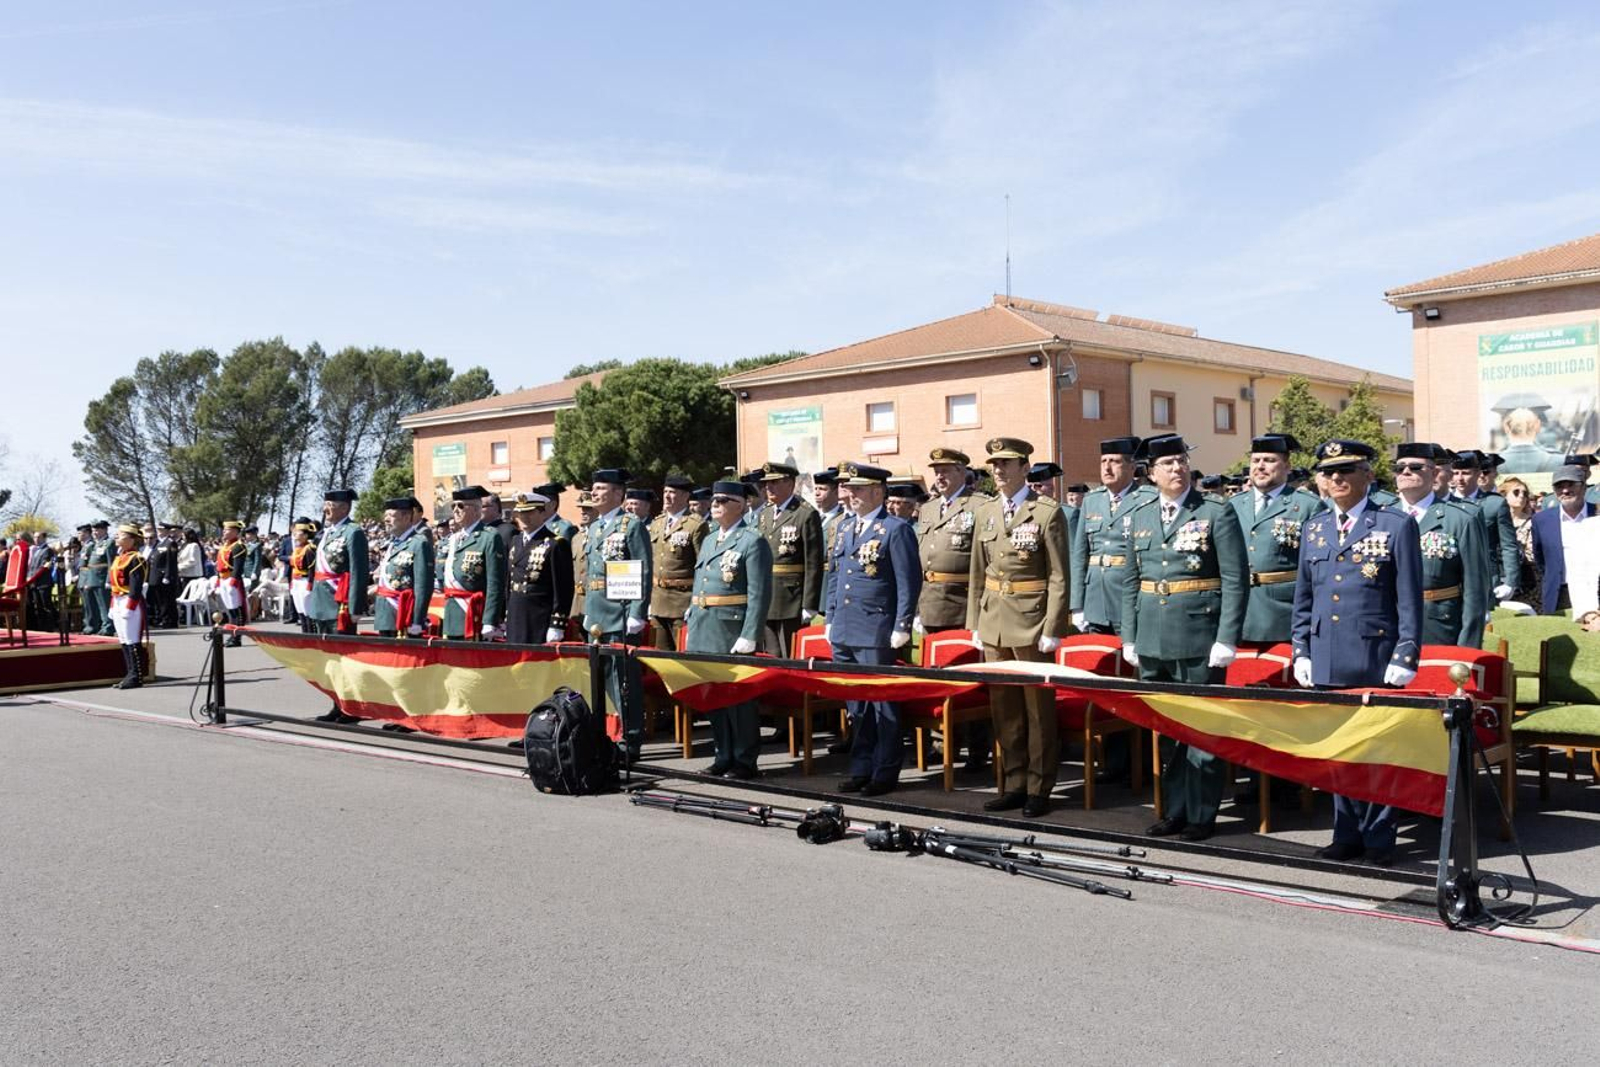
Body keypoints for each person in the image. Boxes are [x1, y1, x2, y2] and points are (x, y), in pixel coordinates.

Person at [1291, 439, 1422, 866]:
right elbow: (1304, 597)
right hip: (1326, 655)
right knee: (1339, 753)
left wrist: (1406, 653)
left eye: (1347, 470)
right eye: (1329, 472)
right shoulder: (1314, 528)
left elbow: (1408, 600)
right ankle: (1346, 834)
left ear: (1368, 475)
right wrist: (1301, 651)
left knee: (1377, 751)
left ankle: (1379, 839)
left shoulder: (1395, 525)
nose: (1337, 479)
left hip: (1374, 655)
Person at [1122, 433, 1249, 842]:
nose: (1177, 469)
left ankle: (1201, 814)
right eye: (1168, 464)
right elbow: (1131, 582)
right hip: (1153, 638)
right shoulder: (1140, 514)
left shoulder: (1215, 511)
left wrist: (1226, 637)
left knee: (1202, 730)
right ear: (1151, 473)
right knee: (1168, 730)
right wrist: (1130, 636)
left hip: (1199, 633)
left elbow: (1234, 579)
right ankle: (1173, 809)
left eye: (1181, 461)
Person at [967, 437, 1071, 818]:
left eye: (1006, 464)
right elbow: (978, 571)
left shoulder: (1045, 512)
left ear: (1025, 468)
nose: (998, 470)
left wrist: (1053, 626)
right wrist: (974, 621)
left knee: (1037, 711)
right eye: (994, 464)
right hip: (993, 618)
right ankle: (1012, 782)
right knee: (1004, 708)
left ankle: (1039, 786)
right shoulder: (986, 511)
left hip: (1031, 620)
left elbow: (1059, 575)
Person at [826, 462, 921, 797]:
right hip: (845, 629)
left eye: (858, 489)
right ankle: (860, 767)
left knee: (883, 706)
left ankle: (885, 771)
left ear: (878, 492)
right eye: (849, 489)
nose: (851, 495)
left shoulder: (894, 529)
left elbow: (908, 581)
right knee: (856, 707)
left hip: (875, 628)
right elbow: (835, 576)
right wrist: (830, 617)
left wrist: (902, 625)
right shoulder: (844, 528)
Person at [1068, 436, 1152, 783]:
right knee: (1105, 683)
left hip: (1131, 601)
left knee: (1136, 682)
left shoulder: (1146, 498)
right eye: (1104, 462)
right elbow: (1079, 553)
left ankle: (1142, 762)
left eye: (1116, 461)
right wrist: (1077, 603)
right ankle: (1111, 761)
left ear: (1132, 467)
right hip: (1097, 599)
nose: (1107, 467)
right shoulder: (1093, 501)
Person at [686, 480, 774, 779]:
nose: (716, 504)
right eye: (714, 499)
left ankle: (744, 759)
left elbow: (759, 593)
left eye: (723, 500)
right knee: (713, 698)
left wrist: (750, 634)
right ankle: (722, 754)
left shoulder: (752, 541)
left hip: (731, 629)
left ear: (741, 504)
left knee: (738, 699)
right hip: (704, 626)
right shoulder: (711, 540)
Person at [915, 446, 990, 773]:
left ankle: (977, 748)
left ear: (963, 472)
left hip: (962, 603)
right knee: (937, 679)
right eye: (936, 471)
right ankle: (941, 744)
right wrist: (918, 607)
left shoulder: (978, 506)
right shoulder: (928, 509)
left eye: (946, 471)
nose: (940, 477)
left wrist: (977, 614)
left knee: (969, 680)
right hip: (931, 601)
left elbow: (982, 565)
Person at [581, 469, 653, 758]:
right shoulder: (596, 527)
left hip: (621, 611)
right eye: (594, 488)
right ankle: (605, 732)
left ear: (617, 493)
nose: (594, 493)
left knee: (624, 681)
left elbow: (643, 569)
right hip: (597, 612)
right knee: (600, 679)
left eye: (600, 488)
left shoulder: (631, 525)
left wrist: (638, 611)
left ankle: (630, 739)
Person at [1391, 444, 1489, 647]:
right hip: (1389, 627)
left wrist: (1467, 648)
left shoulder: (1460, 519)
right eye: (1400, 468)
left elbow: (1475, 591)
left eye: (1415, 467)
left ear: (1434, 473)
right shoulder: (1380, 517)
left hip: (1439, 628)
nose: (1406, 472)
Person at [755, 461, 824, 659]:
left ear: (790, 484)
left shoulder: (805, 513)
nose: (769, 487)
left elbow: (813, 562)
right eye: (767, 484)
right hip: (767, 594)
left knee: (791, 653)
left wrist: (809, 603)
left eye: (775, 482)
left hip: (791, 597)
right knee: (770, 653)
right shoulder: (765, 513)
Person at [438, 485, 508, 640]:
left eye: (461, 506)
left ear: (477, 510)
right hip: (452, 613)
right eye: (453, 506)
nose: (455, 510)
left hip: (475, 613)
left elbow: (495, 583)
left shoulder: (488, 537)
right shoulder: (453, 539)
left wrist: (490, 620)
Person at [1450, 450, 1518, 604]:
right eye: (1455, 473)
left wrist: (1510, 581)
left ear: (1477, 473)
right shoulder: (1444, 503)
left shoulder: (1494, 504)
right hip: (1450, 578)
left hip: (1485, 577)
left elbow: (1508, 545)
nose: (1459, 479)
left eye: (1465, 473)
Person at [647, 474, 706, 652]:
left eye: (672, 492)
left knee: (684, 657)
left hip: (682, 602)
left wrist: (696, 603)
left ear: (685, 496)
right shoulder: (657, 523)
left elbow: (702, 567)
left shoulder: (695, 525)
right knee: (661, 657)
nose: (666, 496)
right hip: (658, 601)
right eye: (665, 491)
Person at [1530, 464, 1600, 615]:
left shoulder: (1597, 513)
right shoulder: (1541, 520)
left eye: (1571, 485)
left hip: (1594, 591)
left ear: (1584, 487)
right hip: (1559, 594)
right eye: (1559, 486)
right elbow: (1540, 559)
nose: (1565, 490)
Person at [505, 491, 573, 644]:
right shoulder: (515, 541)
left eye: (530, 512)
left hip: (539, 616)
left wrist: (557, 624)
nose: (524, 517)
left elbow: (563, 589)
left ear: (543, 513)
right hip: (516, 614)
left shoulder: (555, 543)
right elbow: (509, 580)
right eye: (520, 513)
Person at [373, 496, 435, 639]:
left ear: (407, 517)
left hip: (404, 614)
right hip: (385, 613)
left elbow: (423, 586)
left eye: (391, 516)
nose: (386, 520)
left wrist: (418, 620)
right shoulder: (392, 544)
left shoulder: (419, 543)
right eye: (386, 515)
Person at [107, 524, 151, 689]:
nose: (117, 537)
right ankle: (130, 673)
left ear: (131, 539)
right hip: (118, 599)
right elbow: (114, 585)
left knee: (132, 639)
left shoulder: (136, 559)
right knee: (124, 640)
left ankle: (136, 675)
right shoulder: (119, 557)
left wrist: (130, 606)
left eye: (121, 535)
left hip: (129, 601)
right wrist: (112, 605)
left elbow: (136, 586)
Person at [1500, 476, 1540, 602]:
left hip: (1529, 580)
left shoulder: (1534, 522)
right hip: (1501, 579)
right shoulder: (1497, 522)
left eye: (1525, 493)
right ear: (1504, 495)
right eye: (1516, 492)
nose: (1521, 496)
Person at [215, 521, 249, 647]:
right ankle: (232, 635)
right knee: (230, 610)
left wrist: (233, 581)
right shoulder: (225, 546)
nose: (224, 532)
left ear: (235, 531)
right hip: (224, 579)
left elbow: (238, 566)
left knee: (237, 610)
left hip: (231, 580)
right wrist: (219, 580)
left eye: (227, 530)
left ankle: (237, 638)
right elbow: (219, 565)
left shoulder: (238, 546)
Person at [79, 520, 112, 636]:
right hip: (93, 578)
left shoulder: (109, 542)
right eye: (93, 530)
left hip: (102, 578)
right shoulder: (96, 544)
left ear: (105, 530)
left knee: (104, 605)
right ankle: (102, 626)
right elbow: (89, 564)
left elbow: (110, 563)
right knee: (97, 605)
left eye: (97, 530)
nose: (95, 533)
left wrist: (109, 579)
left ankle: (108, 626)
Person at [287, 520, 317, 633]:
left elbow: (312, 568)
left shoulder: (309, 549)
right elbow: (292, 567)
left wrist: (310, 584)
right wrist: (291, 582)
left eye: (298, 532)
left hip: (305, 580)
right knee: (300, 609)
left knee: (307, 610)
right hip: (296, 581)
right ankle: (305, 634)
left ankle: (312, 635)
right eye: (294, 532)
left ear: (305, 535)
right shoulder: (296, 549)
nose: (295, 535)